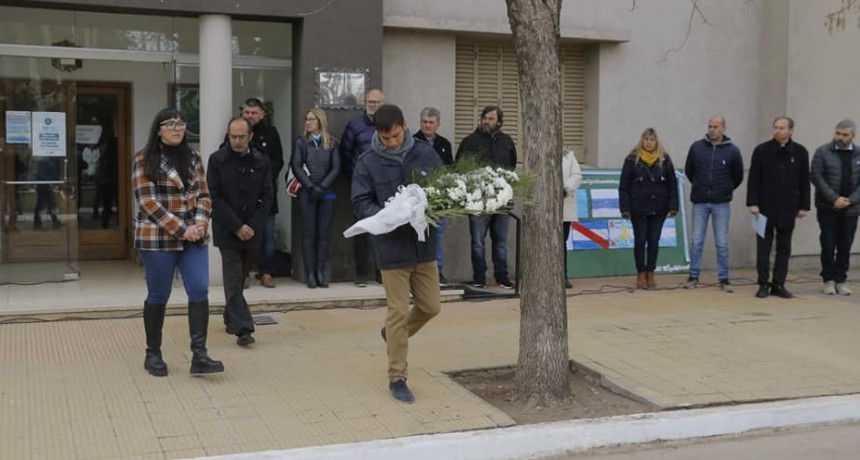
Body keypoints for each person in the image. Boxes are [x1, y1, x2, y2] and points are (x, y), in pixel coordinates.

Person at [351, 104, 442, 403]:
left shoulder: (426, 154)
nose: (391, 142)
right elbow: (360, 201)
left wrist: (435, 209)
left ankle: (392, 334)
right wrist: (386, 215)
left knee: (431, 307)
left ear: (404, 126)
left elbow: (443, 189)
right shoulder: (367, 162)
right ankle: (397, 377)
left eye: (396, 135)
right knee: (398, 312)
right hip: (391, 250)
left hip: (424, 246)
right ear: (377, 133)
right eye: (385, 137)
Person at [133, 107, 223, 377]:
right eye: (170, 124)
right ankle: (153, 354)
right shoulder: (144, 158)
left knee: (199, 289)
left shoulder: (194, 157)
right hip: (158, 237)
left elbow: (204, 195)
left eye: (181, 124)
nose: (177, 128)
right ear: (158, 129)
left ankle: (200, 355)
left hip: (193, 237)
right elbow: (147, 202)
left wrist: (199, 224)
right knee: (158, 294)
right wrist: (182, 229)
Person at [207, 117, 273, 346]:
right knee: (233, 276)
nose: (236, 141)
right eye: (232, 136)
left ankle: (230, 315)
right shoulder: (217, 160)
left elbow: (267, 196)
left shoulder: (261, 161)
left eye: (241, 137)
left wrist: (252, 225)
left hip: (252, 229)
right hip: (228, 229)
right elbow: (214, 197)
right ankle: (243, 328)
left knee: (242, 275)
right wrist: (236, 226)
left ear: (250, 137)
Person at [746, 116, 810, 299]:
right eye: (775, 127)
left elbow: (804, 180)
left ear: (791, 131)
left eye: (782, 128)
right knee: (764, 248)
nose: (778, 131)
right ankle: (763, 284)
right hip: (764, 208)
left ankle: (779, 283)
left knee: (784, 247)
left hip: (788, 207)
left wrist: (804, 205)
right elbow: (754, 179)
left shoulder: (800, 152)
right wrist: (753, 203)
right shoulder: (762, 151)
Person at [457, 105, 518, 289]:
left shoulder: (507, 141)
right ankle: (479, 278)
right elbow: (460, 166)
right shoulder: (470, 141)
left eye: (491, 118)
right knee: (477, 242)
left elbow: (512, 166)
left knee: (500, 241)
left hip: (502, 201)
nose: (486, 121)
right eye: (485, 118)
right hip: (478, 201)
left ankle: (502, 277)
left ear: (499, 122)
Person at [683, 115, 744, 292]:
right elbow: (690, 170)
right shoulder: (697, 148)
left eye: (716, 127)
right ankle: (693, 276)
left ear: (724, 128)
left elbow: (738, 176)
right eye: (710, 126)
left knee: (722, 242)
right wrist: (700, 185)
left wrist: (725, 189)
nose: (712, 129)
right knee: (696, 241)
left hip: (721, 203)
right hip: (700, 201)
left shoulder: (732, 151)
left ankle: (723, 278)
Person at [618, 128, 679, 290]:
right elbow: (623, 185)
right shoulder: (632, 159)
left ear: (656, 142)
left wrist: (673, 206)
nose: (649, 142)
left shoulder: (665, 159)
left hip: (659, 208)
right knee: (640, 240)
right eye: (646, 139)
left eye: (652, 140)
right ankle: (640, 273)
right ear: (641, 141)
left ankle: (650, 272)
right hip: (638, 208)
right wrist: (625, 208)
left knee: (653, 241)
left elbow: (673, 184)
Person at [291, 108, 341, 289]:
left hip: (327, 193)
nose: (308, 122)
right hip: (307, 192)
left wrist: (322, 187)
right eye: (306, 119)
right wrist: (311, 187)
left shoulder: (332, 143)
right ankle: (310, 273)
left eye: (312, 119)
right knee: (309, 233)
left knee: (323, 234)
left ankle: (321, 271)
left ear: (320, 121)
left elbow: (336, 168)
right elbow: (296, 165)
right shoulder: (301, 143)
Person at [811, 118, 860, 296]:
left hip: (851, 209)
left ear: (853, 136)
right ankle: (828, 280)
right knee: (828, 243)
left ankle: (841, 279)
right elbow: (817, 176)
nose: (840, 137)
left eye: (844, 135)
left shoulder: (858, 154)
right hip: (828, 207)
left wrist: (851, 200)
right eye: (838, 133)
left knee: (845, 245)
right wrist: (834, 199)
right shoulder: (823, 152)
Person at [342, 88, 385, 287]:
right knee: (361, 230)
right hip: (361, 187)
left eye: (376, 102)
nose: (373, 105)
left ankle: (380, 272)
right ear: (364, 102)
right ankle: (360, 273)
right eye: (370, 101)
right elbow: (345, 154)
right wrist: (357, 177)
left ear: (382, 103)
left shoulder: (388, 124)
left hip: (385, 186)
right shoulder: (354, 125)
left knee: (384, 229)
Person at [240, 97, 284, 288]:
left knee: (267, 237)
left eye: (254, 113)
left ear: (262, 114)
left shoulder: (271, 133)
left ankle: (266, 273)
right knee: (244, 236)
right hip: (242, 195)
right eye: (247, 113)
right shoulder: (237, 132)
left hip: (266, 194)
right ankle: (244, 274)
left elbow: (278, 161)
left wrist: (262, 181)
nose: (250, 116)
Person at [413, 107, 453, 285]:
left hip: (438, 199)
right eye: (424, 122)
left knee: (437, 235)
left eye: (431, 122)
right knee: (417, 236)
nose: (427, 125)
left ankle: (437, 271)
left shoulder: (445, 144)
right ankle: (416, 273)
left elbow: (450, 171)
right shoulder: (412, 142)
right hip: (417, 198)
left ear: (438, 124)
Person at [561, 148, 583, 289]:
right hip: (544, 204)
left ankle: (562, 276)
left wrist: (564, 188)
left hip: (564, 203)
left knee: (561, 242)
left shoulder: (569, 155)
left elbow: (577, 176)